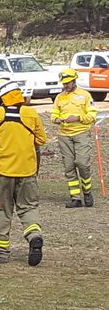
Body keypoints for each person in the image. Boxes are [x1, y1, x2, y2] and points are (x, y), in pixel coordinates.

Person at [0, 79, 46, 265]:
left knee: (2, 212)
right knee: (29, 208)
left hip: (2, 174)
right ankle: (34, 236)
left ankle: (1, 253)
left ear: (1, 98)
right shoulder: (31, 114)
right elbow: (41, 139)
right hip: (28, 172)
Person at [50, 67, 97, 208]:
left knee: (82, 164)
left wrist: (78, 118)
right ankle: (75, 197)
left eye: (68, 83)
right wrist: (56, 119)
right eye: (64, 83)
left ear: (74, 80)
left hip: (81, 133)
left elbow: (92, 115)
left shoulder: (85, 95)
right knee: (69, 167)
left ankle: (87, 192)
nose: (66, 85)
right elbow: (53, 114)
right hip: (64, 135)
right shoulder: (60, 97)